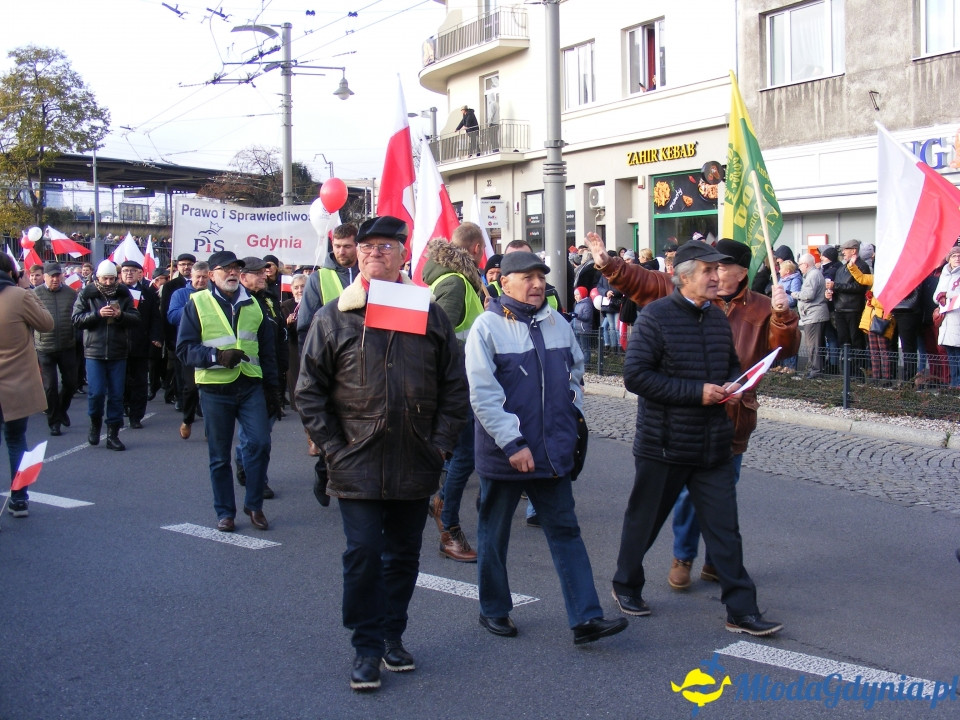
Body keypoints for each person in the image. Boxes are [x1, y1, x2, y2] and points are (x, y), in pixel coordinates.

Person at [296, 216, 469, 692]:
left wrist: (440, 445)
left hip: (416, 458)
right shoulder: (334, 315)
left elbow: (455, 386)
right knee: (363, 553)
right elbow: (308, 391)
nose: (376, 252)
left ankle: (393, 635)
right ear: (356, 254)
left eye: (386, 246)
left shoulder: (428, 313)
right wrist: (332, 448)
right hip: (356, 459)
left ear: (401, 254)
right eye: (368, 246)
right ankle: (366, 646)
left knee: (403, 556)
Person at [585, 234, 797, 597]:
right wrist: (607, 262)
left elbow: (766, 355)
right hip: (667, 440)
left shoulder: (727, 314)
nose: (715, 276)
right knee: (649, 517)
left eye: (721, 267)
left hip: (722, 432)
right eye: (709, 269)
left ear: (741, 272)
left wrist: (779, 319)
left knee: (723, 518)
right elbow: (636, 374)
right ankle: (638, 580)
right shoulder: (658, 312)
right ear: (684, 277)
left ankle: (739, 603)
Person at [466, 250, 628, 645]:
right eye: (527, 277)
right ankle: (494, 609)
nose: (537, 283)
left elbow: (575, 374)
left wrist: (572, 419)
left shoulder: (558, 322)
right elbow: (484, 395)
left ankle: (586, 618)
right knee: (494, 532)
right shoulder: (486, 328)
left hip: (552, 451)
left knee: (566, 531)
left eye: (540, 276)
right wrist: (512, 442)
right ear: (504, 283)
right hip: (508, 453)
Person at [177, 251, 281, 532]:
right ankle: (225, 512)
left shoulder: (254, 305)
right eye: (226, 269)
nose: (232, 273)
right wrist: (217, 356)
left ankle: (254, 505)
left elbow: (267, 352)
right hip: (215, 389)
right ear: (211, 275)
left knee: (260, 444)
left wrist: (274, 391)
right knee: (219, 456)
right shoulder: (197, 303)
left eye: (236, 268)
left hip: (250, 386)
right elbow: (184, 350)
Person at [422, 223, 489, 562]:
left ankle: (443, 505)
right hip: (459, 384)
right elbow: (437, 336)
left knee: (463, 453)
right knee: (466, 455)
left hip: (462, 383)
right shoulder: (458, 283)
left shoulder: (445, 279)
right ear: (476, 249)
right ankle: (448, 525)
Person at [0, 253, 54, 518]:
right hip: (15, 383)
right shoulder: (19, 296)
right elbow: (47, 323)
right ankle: (19, 498)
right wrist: (25, 291)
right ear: (13, 273)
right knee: (15, 440)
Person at [72, 260, 140, 451]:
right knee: (96, 393)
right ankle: (95, 424)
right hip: (94, 351)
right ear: (97, 277)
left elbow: (136, 318)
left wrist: (120, 316)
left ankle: (113, 434)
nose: (109, 283)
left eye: (112, 278)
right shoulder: (87, 293)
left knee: (117, 395)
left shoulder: (124, 293)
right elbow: (76, 320)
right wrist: (97, 314)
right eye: (105, 279)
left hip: (118, 352)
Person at [234, 256, 287, 500]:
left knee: (261, 432)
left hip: (273, 369)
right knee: (258, 434)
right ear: (243, 277)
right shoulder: (240, 302)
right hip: (250, 375)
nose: (264, 276)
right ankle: (256, 476)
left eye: (264, 272)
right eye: (257, 273)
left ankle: (245, 461)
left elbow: (277, 334)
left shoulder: (269, 298)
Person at [33, 261, 78, 436]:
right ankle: (54, 421)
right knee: (50, 385)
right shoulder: (35, 294)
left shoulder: (70, 294)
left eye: (57, 276)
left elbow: (76, 315)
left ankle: (61, 410)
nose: (55, 279)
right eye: (51, 276)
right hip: (45, 346)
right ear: (44, 277)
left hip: (67, 345)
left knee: (70, 383)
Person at [167, 261, 210, 440]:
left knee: (210, 389)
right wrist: (195, 308)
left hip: (210, 345)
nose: (201, 281)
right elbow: (172, 316)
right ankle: (187, 419)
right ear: (191, 277)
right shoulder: (180, 294)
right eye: (197, 277)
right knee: (190, 388)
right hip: (189, 347)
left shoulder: (214, 295)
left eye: (204, 277)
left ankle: (211, 428)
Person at [119, 260, 162, 429]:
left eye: (132, 271)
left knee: (140, 381)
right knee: (121, 380)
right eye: (125, 270)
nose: (128, 273)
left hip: (140, 343)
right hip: (119, 344)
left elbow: (155, 318)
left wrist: (156, 336)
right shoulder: (115, 291)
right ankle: (123, 406)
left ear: (140, 274)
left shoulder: (148, 293)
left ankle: (136, 416)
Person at [160, 253, 196, 407]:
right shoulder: (171, 286)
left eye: (189, 264)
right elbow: (166, 313)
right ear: (177, 267)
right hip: (176, 334)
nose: (186, 267)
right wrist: (167, 337)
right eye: (182, 264)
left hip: (196, 336)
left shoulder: (206, 286)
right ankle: (180, 398)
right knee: (178, 369)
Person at [832, 239, 871, 373]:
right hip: (840, 309)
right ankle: (846, 372)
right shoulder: (841, 268)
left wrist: (836, 286)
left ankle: (858, 371)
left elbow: (859, 287)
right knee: (843, 341)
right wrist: (831, 293)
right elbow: (838, 285)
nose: (843, 252)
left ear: (854, 250)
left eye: (845, 249)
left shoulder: (862, 266)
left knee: (856, 341)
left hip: (854, 309)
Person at [793, 253, 829, 378]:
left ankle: (815, 371)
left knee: (813, 345)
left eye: (800, 264)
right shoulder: (813, 274)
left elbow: (808, 295)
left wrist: (795, 294)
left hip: (814, 315)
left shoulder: (812, 275)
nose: (799, 267)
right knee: (815, 344)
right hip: (814, 315)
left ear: (806, 264)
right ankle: (815, 369)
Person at [933, 246, 960, 386]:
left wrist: (947, 296)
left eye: (959, 256)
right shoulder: (945, 274)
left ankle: (958, 384)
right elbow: (935, 296)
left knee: (958, 354)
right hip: (947, 320)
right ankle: (954, 384)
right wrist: (940, 297)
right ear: (949, 258)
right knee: (951, 354)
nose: (957, 258)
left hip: (957, 318)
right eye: (954, 256)